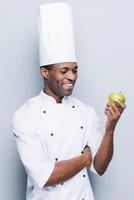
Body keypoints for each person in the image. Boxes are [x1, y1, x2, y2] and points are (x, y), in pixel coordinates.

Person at [12, 2, 126, 200]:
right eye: (64, 71)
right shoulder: (25, 116)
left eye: (75, 70)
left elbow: (99, 167)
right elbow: (46, 176)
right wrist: (85, 158)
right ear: (45, 72)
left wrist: (110, 128)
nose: (72, 76)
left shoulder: (85, 111)